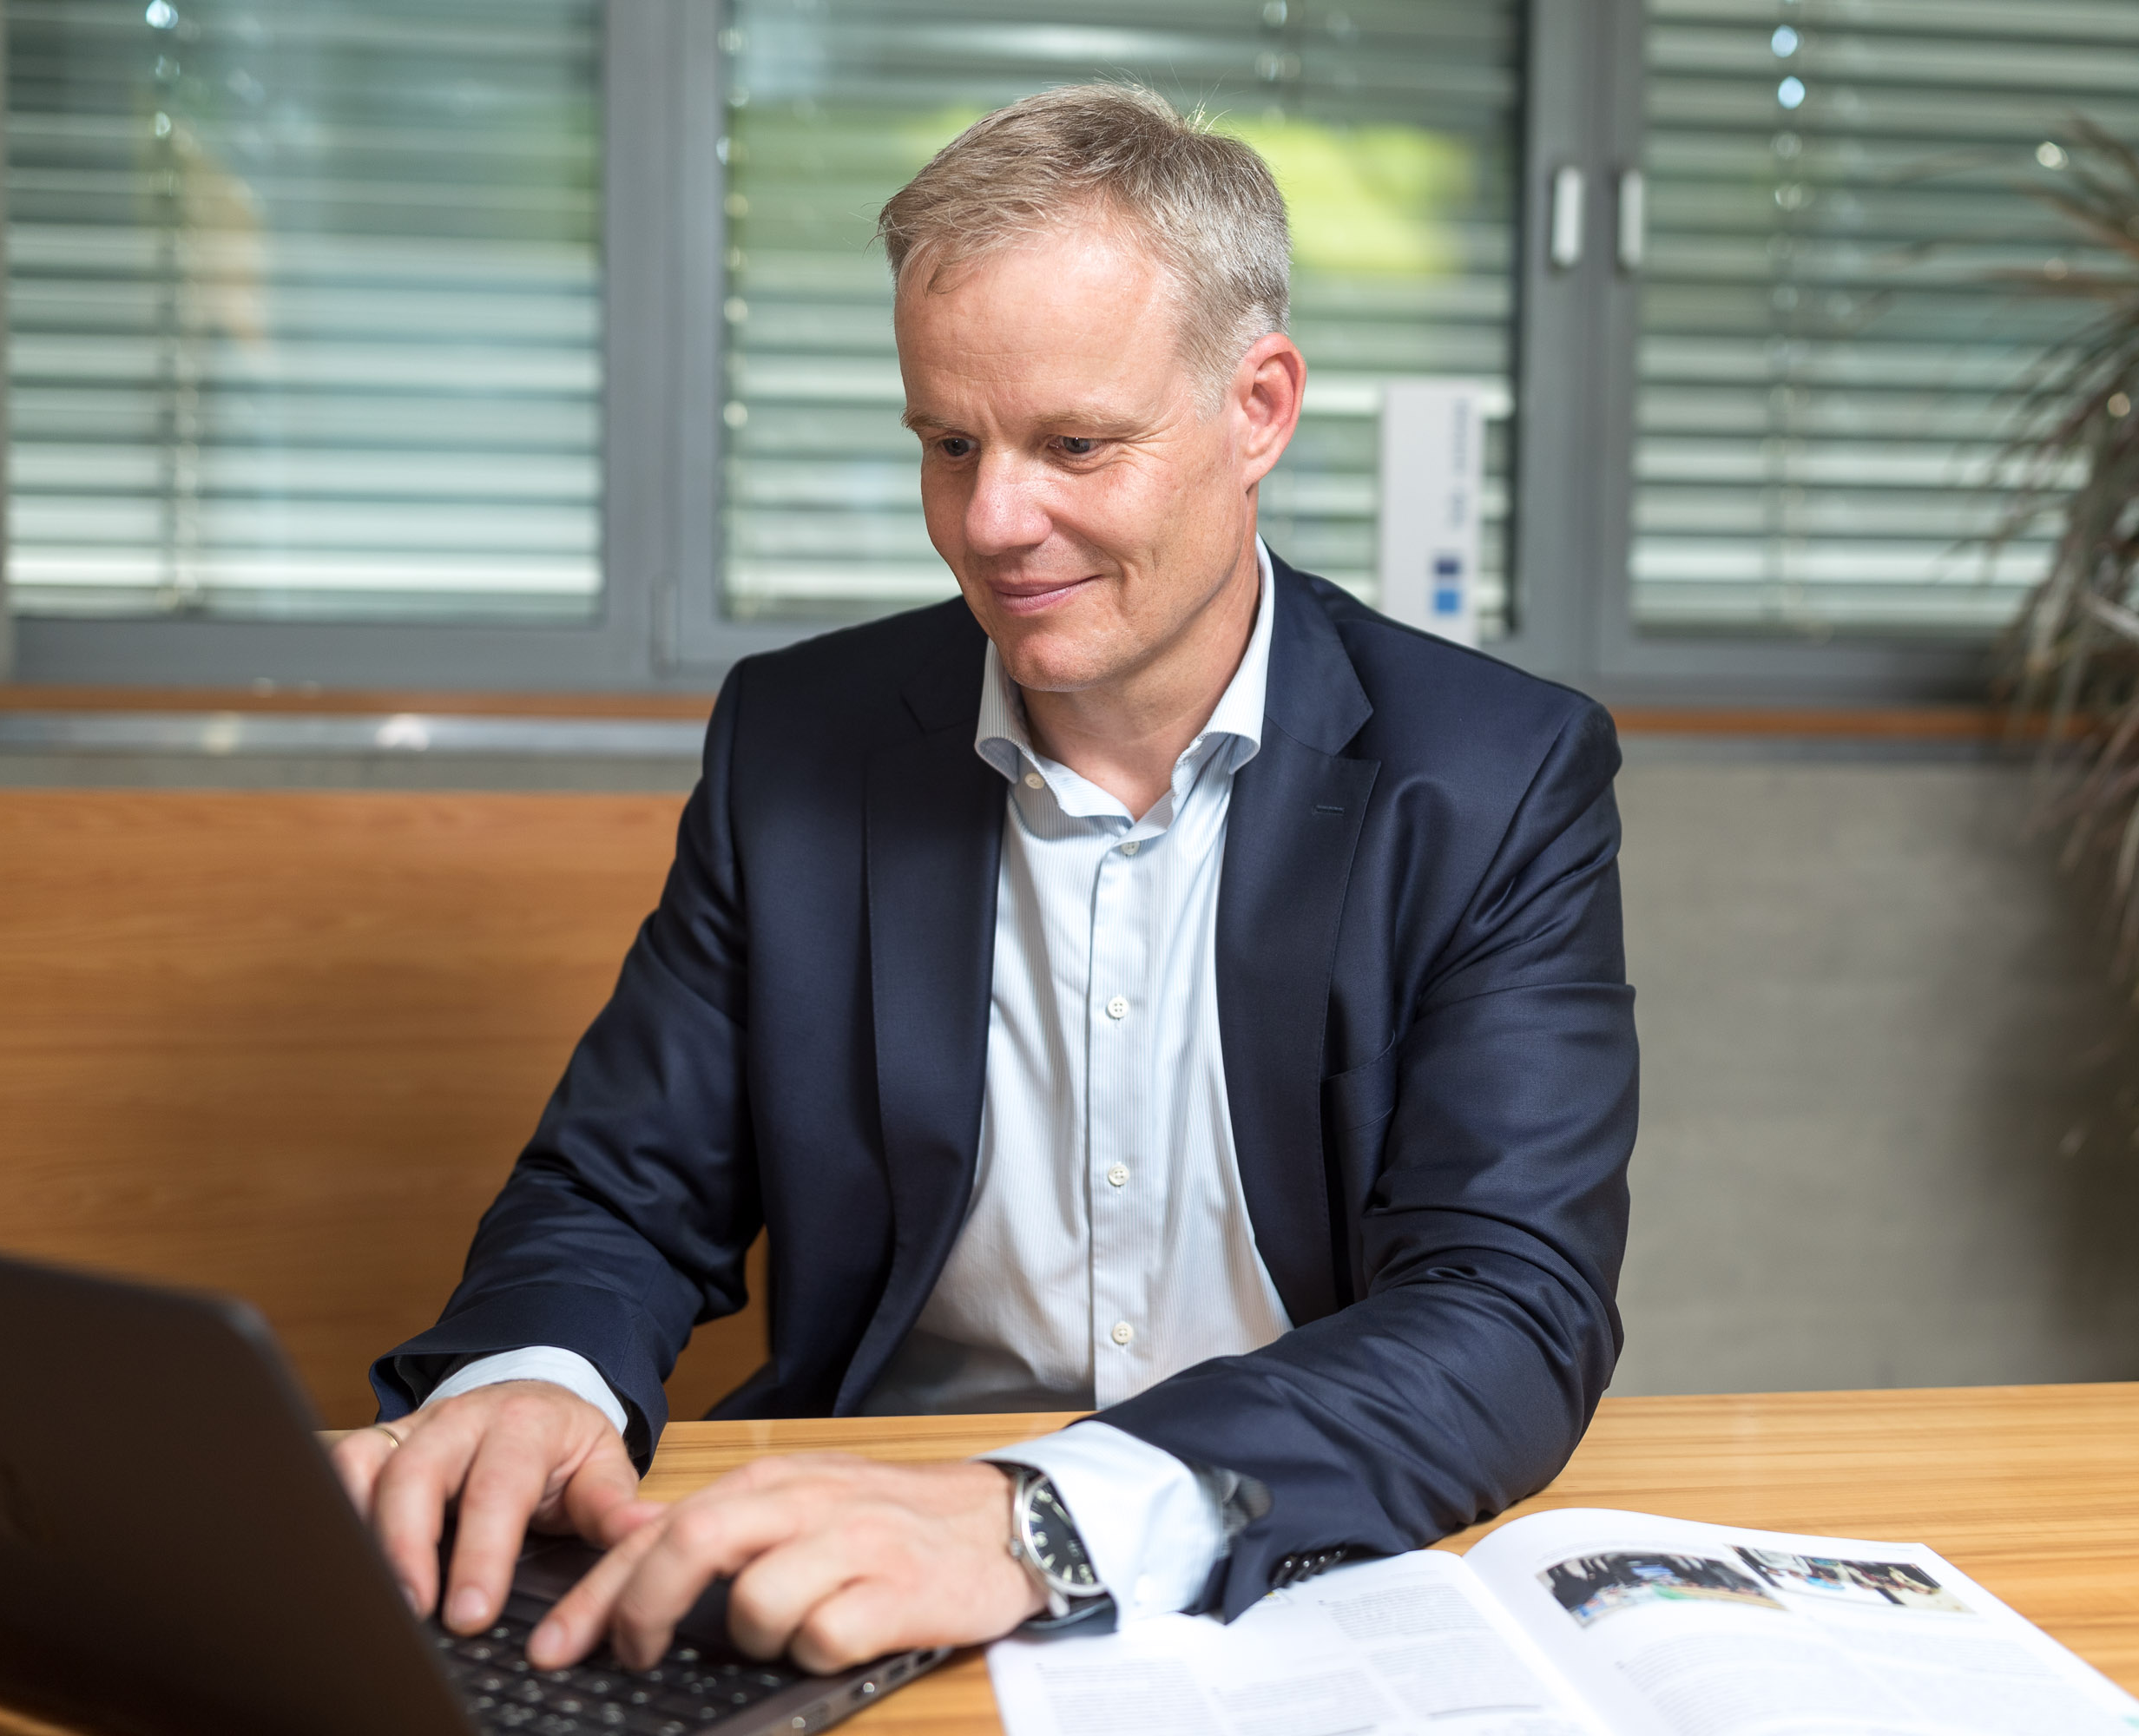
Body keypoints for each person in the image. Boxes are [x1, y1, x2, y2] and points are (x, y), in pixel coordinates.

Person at [330, 82, 1638, 1679]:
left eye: (1074, 445)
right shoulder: (799, 740)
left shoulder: (1494, 777)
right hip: (852, 1566)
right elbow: (620, 1187)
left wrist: (1035, 1521)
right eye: (948, 445)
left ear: (1260, 408)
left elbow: (1507, 1309)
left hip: (1296, 1562)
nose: (993, 523)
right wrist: (533, 1378)